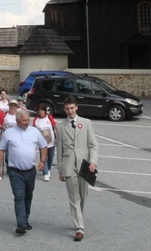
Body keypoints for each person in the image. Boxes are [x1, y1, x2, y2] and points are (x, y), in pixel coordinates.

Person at [0, 109, 48, 234]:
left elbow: (44, 146)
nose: (26, 122)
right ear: (17, 120)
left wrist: (42, 161)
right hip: (15, 171)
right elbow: (1, 150)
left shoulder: (34, 131)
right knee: (19, 196)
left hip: (30, 171)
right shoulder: (8, 133)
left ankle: (25, 218)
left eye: (27, 120)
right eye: (23, 120)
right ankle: (21, 224)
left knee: (28, 197)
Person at [57, 96, 99, 242]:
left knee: (82, 196)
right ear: (64, 109)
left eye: (72, 108)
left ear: (76, 107)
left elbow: (93, 145)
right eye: (67, 109)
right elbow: (60, 149)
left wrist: (93, 161)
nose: (70, 111)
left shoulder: (86, 123)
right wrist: (60, 170)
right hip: (69, 166)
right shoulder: (61, 126)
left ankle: (78, 218)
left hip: (84, 166)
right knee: (73, 198)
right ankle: (79, 228)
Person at [33, 103, 58, 182]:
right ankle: (45, 173)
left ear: (45, 111)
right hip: (42, 143)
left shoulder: (49, 118)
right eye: (39, 111)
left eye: (42, 110)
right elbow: (34, 131)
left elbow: (54, 127)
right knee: (44, 158)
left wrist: (57, 137)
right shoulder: (36, 120)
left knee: (51, 156)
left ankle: (48, 168)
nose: (40, 112)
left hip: (51, 141)